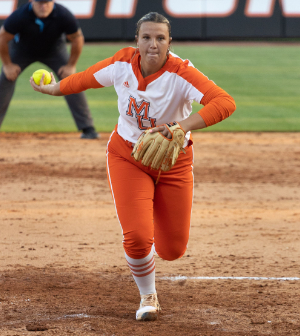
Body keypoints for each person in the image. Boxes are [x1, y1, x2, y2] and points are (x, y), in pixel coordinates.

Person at [30, 12, 236, 321]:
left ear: (170, 42)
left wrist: (179, 126)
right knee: (138, 237)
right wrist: (54, 88)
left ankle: (150, 212)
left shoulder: (181, 72)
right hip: (128, 156)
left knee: (172, 249)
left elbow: (224, 102)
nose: (153, 44)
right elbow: (85, 78)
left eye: (160, 38)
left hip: (173, 163)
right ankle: (148, 296)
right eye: (147, 37)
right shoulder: (122, 64)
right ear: (136, 41)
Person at [0, 0, 99, 139]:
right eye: (39, 3)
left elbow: (77, 38)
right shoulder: (19, 16)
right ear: (32, 2)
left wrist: (70, 65)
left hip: (54, 51)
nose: (43, 6)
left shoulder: (63, 14)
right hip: (22, 50)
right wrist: (7, 65)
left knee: (71, 80)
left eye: (46, 2)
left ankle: (88, 128)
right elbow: (2, 37)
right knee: (5, 79)